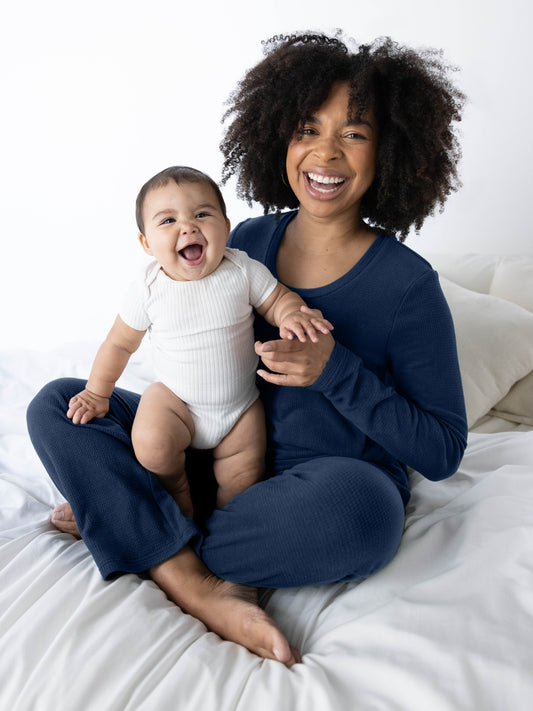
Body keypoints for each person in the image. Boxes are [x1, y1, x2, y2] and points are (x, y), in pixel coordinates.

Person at [26, 32, 468, 668]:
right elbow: (145, 325)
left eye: (355, 133)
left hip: (313, 486)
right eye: (307, 129)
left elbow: (443, 449)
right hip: (205, 455)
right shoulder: (239, 242)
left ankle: (129, 520)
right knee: (59, 403)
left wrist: (334, 370)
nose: (325, 153)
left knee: (365, 513)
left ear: (390, 152)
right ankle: (190, 580)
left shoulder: (408, 285)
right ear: (278, 139)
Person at [66, 165, 332, 516]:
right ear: (146, 243)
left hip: (239, 407)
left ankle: (226, 522)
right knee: (151, 443)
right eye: (167, 221)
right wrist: (97, 393)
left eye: (201, 214)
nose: (187, 226)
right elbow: (119, 344)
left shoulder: (241, 269)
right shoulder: (147, 290)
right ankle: (177, 492)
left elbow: (277, 299)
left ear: (225, 227)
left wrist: (293, 314)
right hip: (178, 404)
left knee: (244, 473)